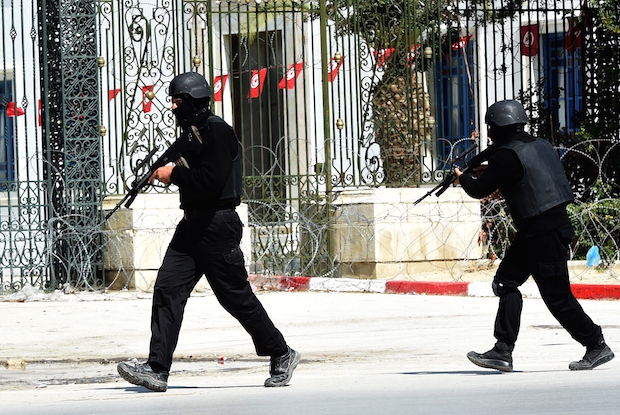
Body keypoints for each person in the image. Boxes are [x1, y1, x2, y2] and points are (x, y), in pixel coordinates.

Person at [117, 71, 300, 392]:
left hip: (217, 226)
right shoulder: (193, 133)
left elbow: (211, 181)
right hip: (192, 226)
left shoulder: (217, 132)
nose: (173, 107)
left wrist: (173, 174)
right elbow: (176, 159)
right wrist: (155, 172)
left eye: (178, 101)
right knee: (167, 289)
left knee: (235, 297)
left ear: (193, 101)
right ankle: (157, 368)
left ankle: (281, 352)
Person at [454, 99, 614, 372]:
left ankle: (596, 344)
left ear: (497, 127)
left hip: (543, 235)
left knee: (558, 298)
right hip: (538, 231)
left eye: (491, 128)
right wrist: (488, 173)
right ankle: (502, 350)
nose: (490, 134)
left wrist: (463, 179)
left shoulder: (504, 155)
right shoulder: (540, 145)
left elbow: (480, 189)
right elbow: (523, 176)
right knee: (505, 282)